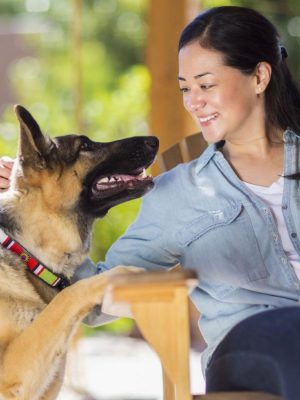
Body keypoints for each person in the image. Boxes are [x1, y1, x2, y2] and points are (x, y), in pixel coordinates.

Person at [2, 5, 300, 399]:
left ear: (259, 77)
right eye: (185, 88)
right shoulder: (179, 193)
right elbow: (93, 302)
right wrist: (38, 206)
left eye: (206, 85)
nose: (193, 102)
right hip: (250, 347)